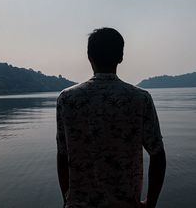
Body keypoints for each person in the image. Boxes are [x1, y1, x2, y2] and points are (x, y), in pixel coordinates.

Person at [56, 27, 166, 208]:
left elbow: (62, 155)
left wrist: (67, 198)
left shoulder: (67, 99)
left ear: (89, 56)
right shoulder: (140, 98)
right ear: (121, 57)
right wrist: (150, 204)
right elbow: (158, 156)